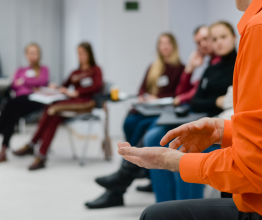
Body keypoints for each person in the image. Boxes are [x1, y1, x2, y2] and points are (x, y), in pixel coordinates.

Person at [118, 0, 262, 219]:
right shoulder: (209, 65)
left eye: (218, 38)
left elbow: (252, 167)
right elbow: (193, 97)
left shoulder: (256, 30)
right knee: (150, 132)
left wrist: (171, 161)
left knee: (155, 212)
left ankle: (123, 179)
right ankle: (131, 182)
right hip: (205, 116)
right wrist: (224, 130)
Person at [85, 26, 217, 209]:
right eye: (199, 42)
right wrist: (144, 98)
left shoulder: (184, 67)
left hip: (179, 112)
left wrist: (186, 72)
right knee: (131, 122)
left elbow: (183, 96)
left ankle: (125, 176)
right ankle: (134, 173)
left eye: (208, 39)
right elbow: (182, 93)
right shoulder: (159, 66)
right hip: (162, 109)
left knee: (148, 132)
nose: (204, 44)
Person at [144, 21, 237, 203]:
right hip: (200, 117)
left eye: (223, 37)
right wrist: (215, 101)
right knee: (153, 137)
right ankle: (165, 206)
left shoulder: (239, 64)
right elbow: (196, 102)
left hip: (220, 127)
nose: (218, 43)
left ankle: (184, 209)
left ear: (234, 37)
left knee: (183, 152)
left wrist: (210, 103)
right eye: (214, 39)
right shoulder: (211, 68)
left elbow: (220, 103)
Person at [13, 42, 103, 171]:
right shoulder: (75, 72)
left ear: (89, 54)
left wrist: (77, 92)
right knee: (53, 116)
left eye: (82, 53)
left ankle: (32, 144)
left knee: (52, 109)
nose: (80, 56)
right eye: (78, 53)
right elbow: (64, 85)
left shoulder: (95, 70)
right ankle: (41, 156)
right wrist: (57, 88)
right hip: (71, 102)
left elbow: (97, 87)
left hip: (86, 103)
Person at [0, 43, 49, 163]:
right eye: (30, 53)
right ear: (26, 55)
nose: (32, 56)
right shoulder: (21, 69)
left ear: (39, 55)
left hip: (34, 101)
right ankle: (3, 150)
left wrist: (24, 81)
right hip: (18, 102)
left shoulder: (43, 69)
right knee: (12, 115)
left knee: (10, 107)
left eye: (35, 53)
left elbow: (42, 81)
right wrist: (32, 83)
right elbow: (14, 85)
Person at [123, 33, 184, 148]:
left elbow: (178, 94)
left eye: (168, 43)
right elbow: (142, 88)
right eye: (161, 43)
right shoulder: (153, 66)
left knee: (141, 126)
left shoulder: (180, 68)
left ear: (173, 46)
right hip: (148, 107)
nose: (164, 46)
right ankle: (130, 154)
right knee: (129, 122)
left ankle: (133, 159)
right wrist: (142, 96)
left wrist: (158, 99)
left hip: (163, 109)